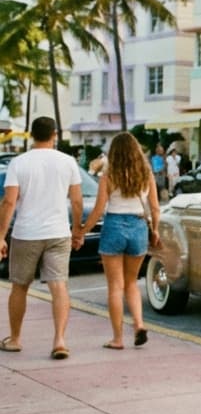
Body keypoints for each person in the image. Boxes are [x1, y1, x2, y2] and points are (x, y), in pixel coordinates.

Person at [0, 116, 84, 359]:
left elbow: (9, 202)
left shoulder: (19, 163)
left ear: (32, 135)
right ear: (54, 134)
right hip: (58, 232)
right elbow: (77, 201)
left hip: (26, 233)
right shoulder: (68, 162)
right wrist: (77, 231)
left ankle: (15, 339)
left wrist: (1, 236)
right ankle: (59, 340)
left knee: (20, 286)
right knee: (59, 286)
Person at [77, 133, 159, 349]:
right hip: (139, 227)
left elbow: (98, 209)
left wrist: (83, 231)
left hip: (114, 226)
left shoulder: (108, 175)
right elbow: (155, 207)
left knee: (115, 286)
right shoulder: (146, 173)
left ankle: (118, 339)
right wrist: (156, 229)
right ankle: (139, 324)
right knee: (132, 283)